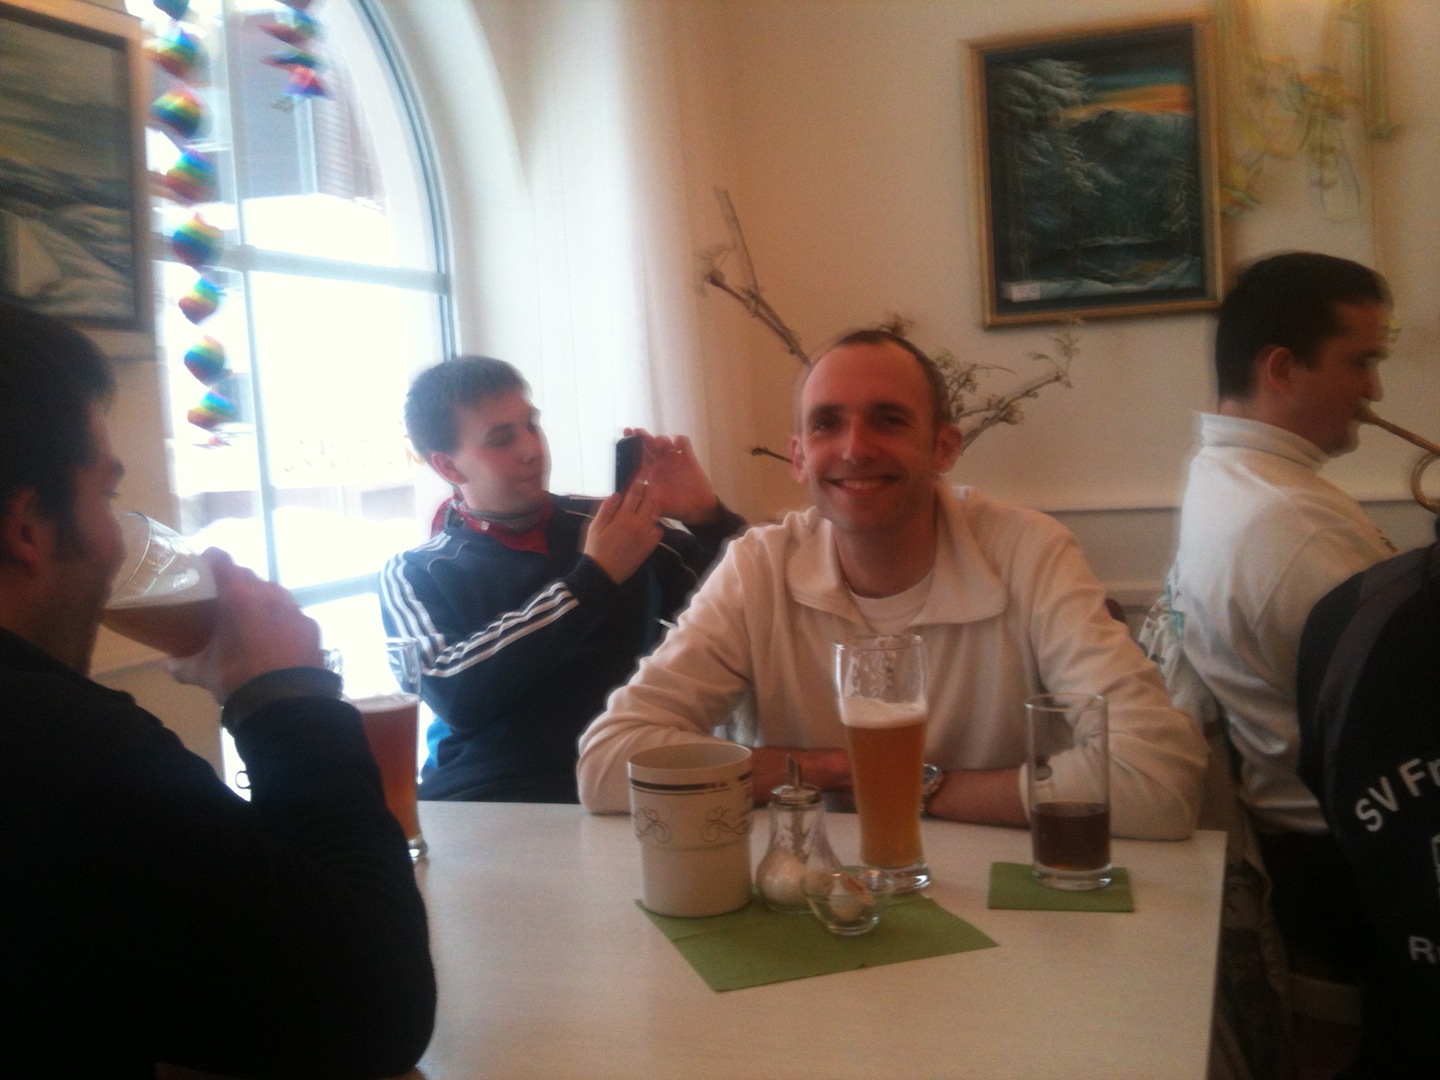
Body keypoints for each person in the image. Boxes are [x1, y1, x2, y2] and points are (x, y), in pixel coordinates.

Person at [0, 302, 435, 1078]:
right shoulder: (53, 741)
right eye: (105, 497)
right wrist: (289, 698)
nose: (116, 541)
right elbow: (374, 1007)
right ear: (27, 527)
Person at [577, 329, 1207, 837]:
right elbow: (607, 764)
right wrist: (835, 770)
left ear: (944, 448)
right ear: (799, 458)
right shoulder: (757, 567)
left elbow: (1159, 778)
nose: (854, 448)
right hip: (815, 902)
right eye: (826, 424)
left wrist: (921, 786)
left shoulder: (1028, 552)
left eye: (889, 421)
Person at [1161, 252, 1396, 987]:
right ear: (1283, 369)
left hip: (1307, 844)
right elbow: (1409, 710)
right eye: (1361, 362)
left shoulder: (1223, 476)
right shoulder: (1292, 523)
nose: (1374, 390)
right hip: (1353, 861)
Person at [381, 356, 745, 802]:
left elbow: (756, 603)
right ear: (450, 468)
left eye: (531, 426)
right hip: (483, 797)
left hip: (624, 784)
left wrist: (706, 516)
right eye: (502, 439)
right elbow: (454, 692)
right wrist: (593, 580)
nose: (531, 448)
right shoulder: (416, 571)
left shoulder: (613, 525)